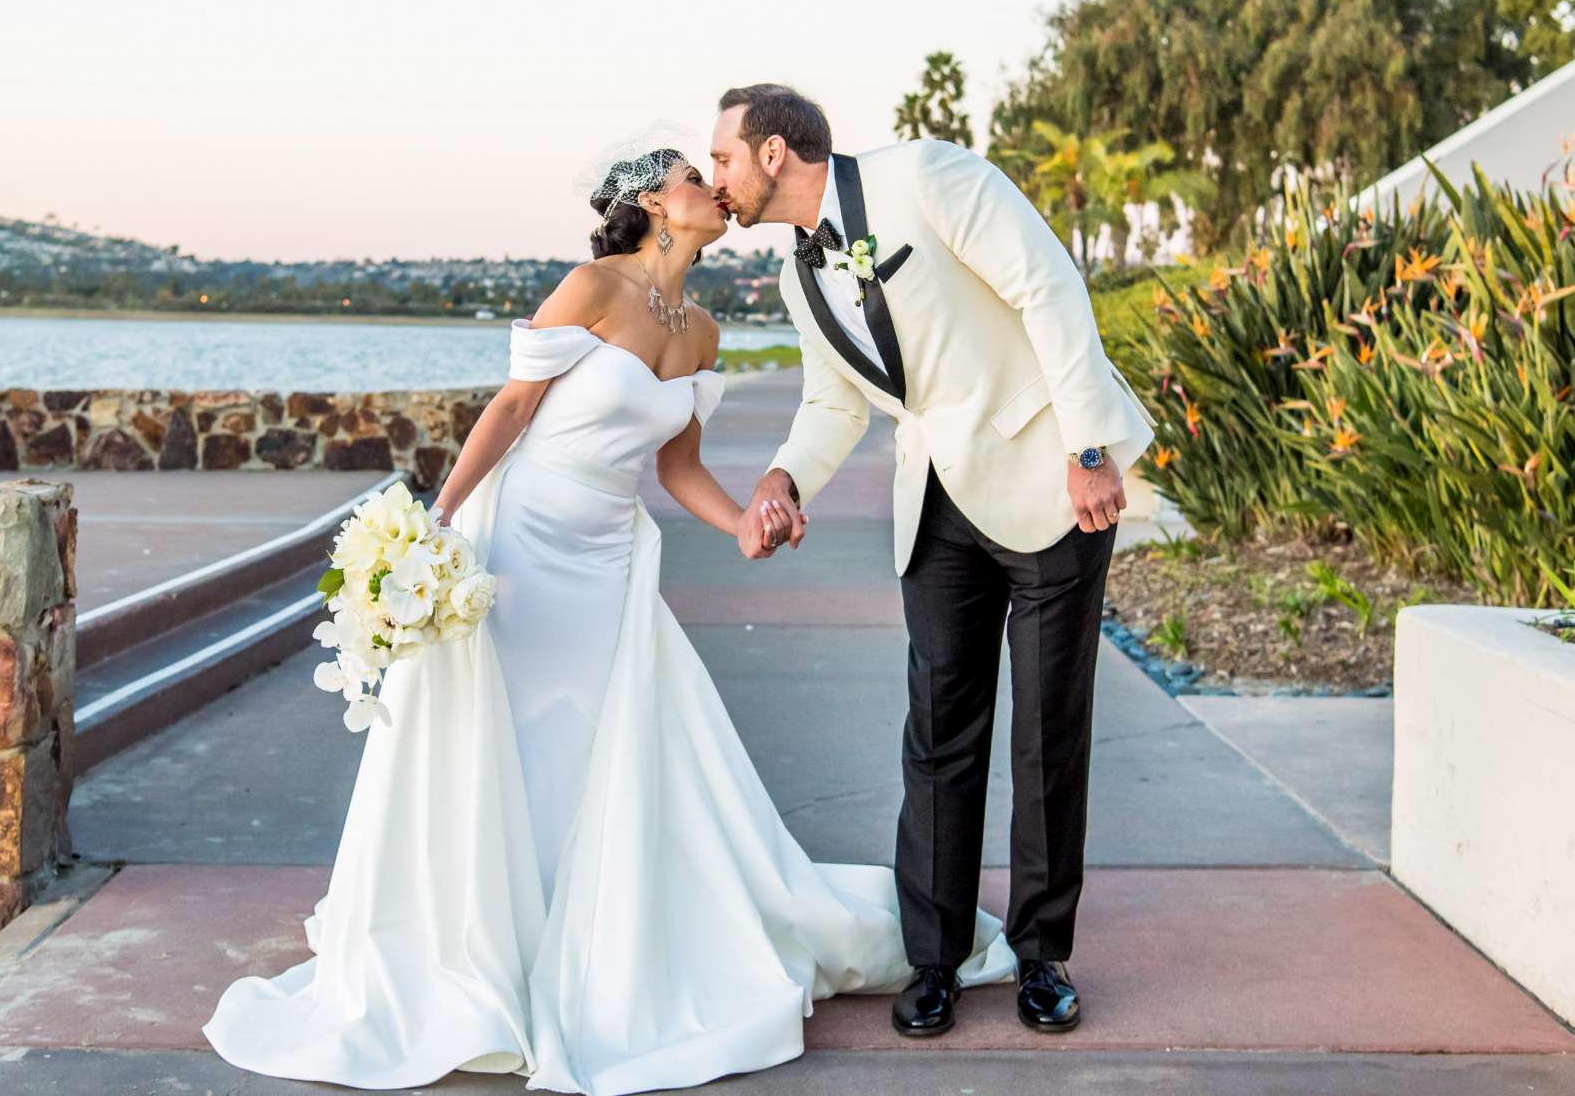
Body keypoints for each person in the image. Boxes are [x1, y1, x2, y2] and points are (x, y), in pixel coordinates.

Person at [203, 143, 1013, 1095]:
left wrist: (747, 523)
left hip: (610, 561)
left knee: (593, 753)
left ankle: (584, 942)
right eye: (687, 177)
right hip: (523, 547)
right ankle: (493, 952)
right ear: (652, 208)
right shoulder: (590, 287)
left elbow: (675, 469)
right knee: (507, 743)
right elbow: (511, 410)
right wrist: (441, 520)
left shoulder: (703, 331)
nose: (710, 187)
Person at [709, 82, 1155, 1038]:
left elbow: (1050, 286)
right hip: (935, 506)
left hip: (1049, 478)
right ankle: (937, 959)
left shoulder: (927, 175)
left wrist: (1088, 450)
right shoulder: (798, 278)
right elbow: (836, 406)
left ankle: (1043, 957)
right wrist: (783, 479)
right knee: (938, 732)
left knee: (1047, 730)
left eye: (723, 159)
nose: (719, 180)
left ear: (774, 152)